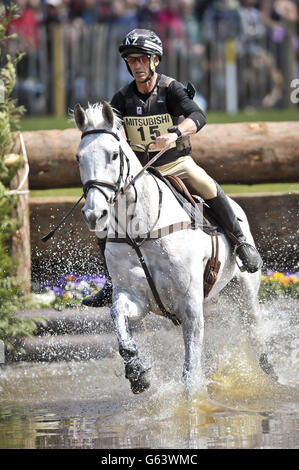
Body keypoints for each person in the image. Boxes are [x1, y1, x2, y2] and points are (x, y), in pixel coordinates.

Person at [82, 28, 262, 307]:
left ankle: (241, 243)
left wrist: (176, 133)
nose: (137, 65)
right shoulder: (121, 98)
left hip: (175, 164)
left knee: (207, 186)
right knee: (109, 217)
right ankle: (113, 280)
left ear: (155, 61)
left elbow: (198, 116)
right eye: (132, 61)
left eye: (142, 59)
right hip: (139, 175)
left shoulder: (171, 89)